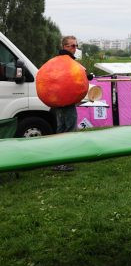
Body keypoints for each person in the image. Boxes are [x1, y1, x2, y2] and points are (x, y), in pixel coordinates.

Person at [52, 35, 93, 171]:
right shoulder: (67, 62)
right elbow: (70, 77)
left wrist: (86, 77)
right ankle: (64, 162)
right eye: (73, 46)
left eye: (76, 45)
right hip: (67, 101)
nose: (75, 48)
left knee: (61, 130)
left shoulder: (57, 61)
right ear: (65, 47)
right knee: (69, 130)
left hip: (58, 101)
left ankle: (58, 161)